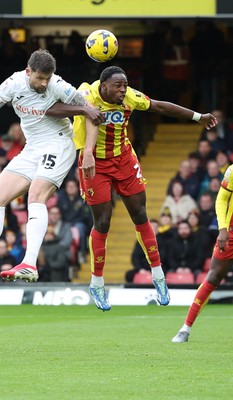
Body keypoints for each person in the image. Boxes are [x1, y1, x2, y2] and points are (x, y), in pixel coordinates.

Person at [50, 65, 217, 311]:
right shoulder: (84, 94)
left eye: (125, 84)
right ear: (103, 85)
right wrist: (82, 109)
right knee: (103, 222)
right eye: (118, 85)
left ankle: (159, 276)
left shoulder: (130, 98)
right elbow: (52, 109)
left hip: (125, 160)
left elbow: (160, 106)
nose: (123, 89)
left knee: (140, 215)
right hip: (94, 163)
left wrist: (197, 117)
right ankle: (97, 283)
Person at [0, 49, 104, 286]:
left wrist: (89, 152)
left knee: (35, 195)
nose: (44, 83)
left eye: (47, 79)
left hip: (59, 143)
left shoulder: (59, 86)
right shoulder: (13, 83)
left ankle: (29, 264)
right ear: (28, 71)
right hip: (32, 148)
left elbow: (92, 113)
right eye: (39, 78)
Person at [172, 163, 233, 342]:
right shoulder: (231, 171)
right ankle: (185, 328)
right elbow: (222, 199)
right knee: (213, 277)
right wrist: (222, 228)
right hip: (230, 232)